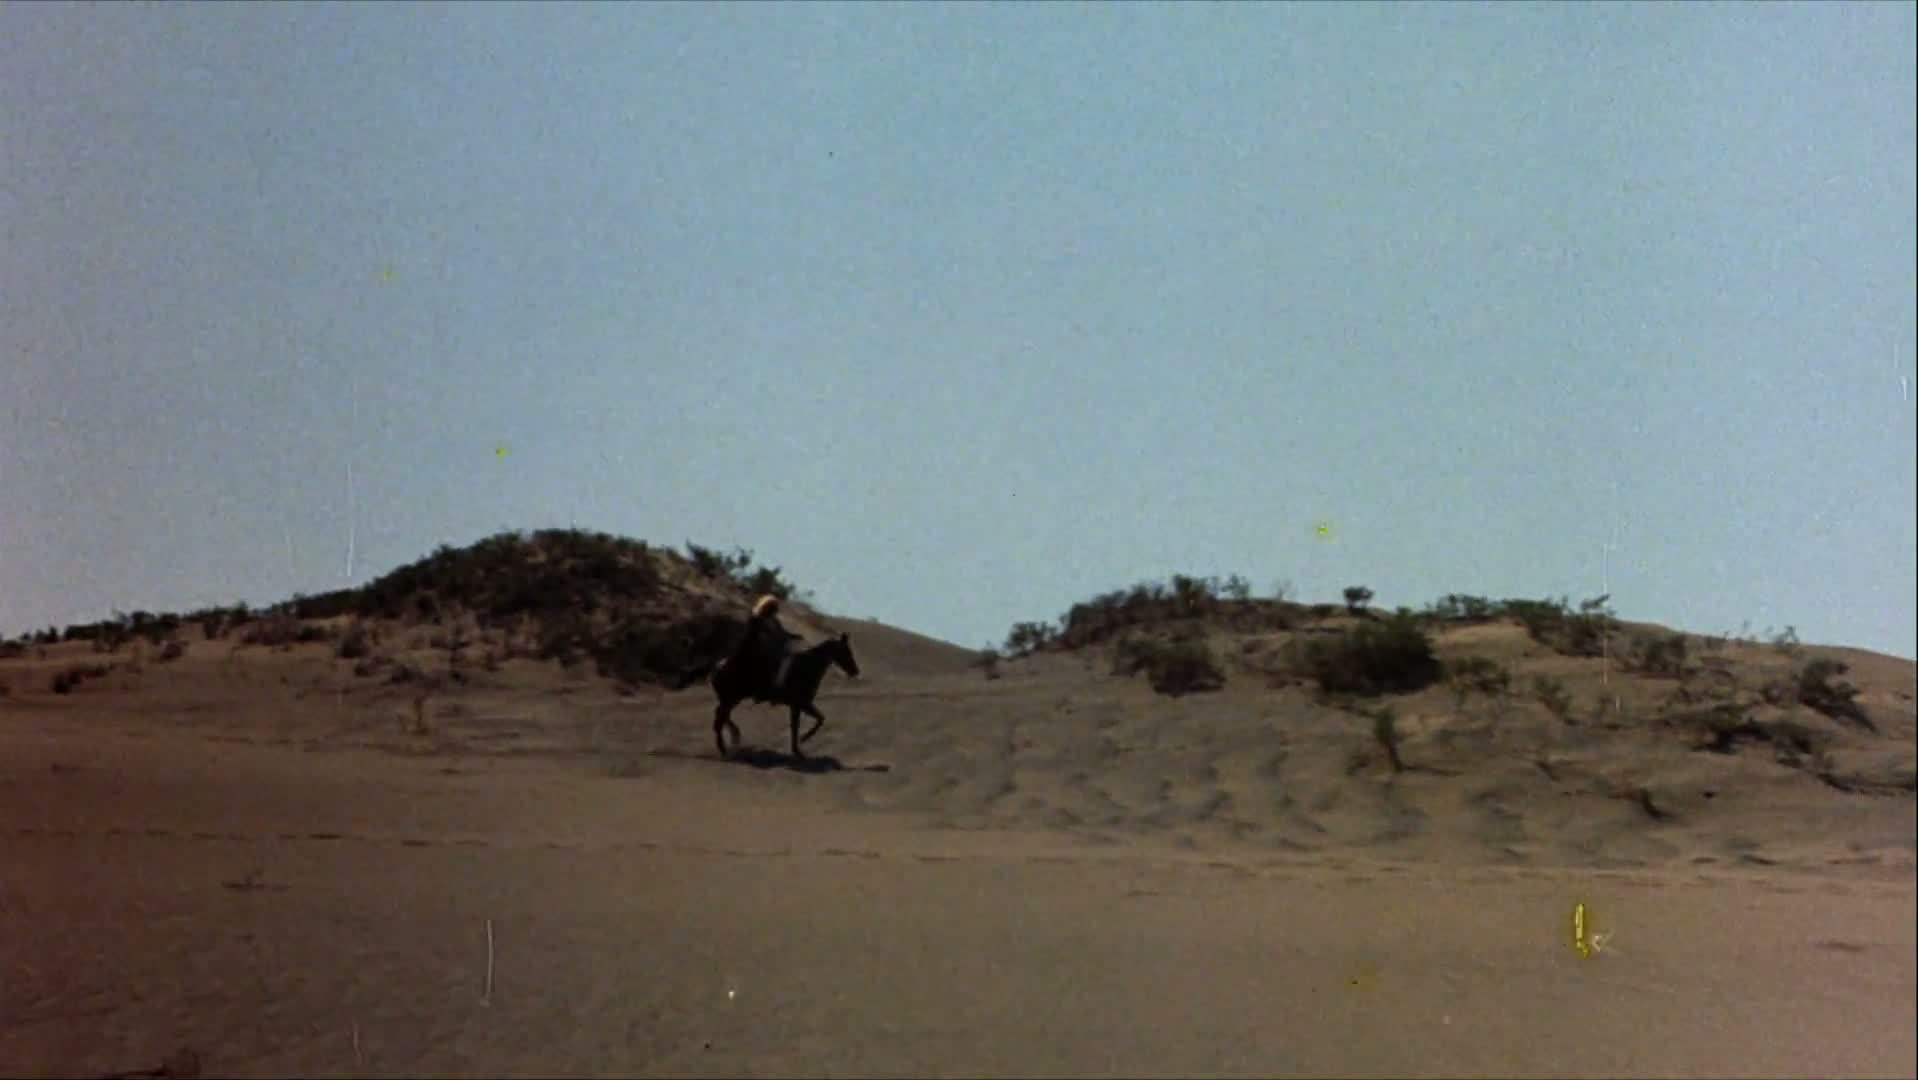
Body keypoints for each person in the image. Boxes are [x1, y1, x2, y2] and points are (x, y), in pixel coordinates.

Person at [732, 594, 800, 696]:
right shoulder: (757, 618)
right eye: (773, 608)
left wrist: (792, 636)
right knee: (784, 657)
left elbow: (781, 632)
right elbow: (761, 634)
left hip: (765, 646)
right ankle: (775, 684)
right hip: (758, 647)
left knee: (787, 655)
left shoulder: (772, 620)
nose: (775, 611)